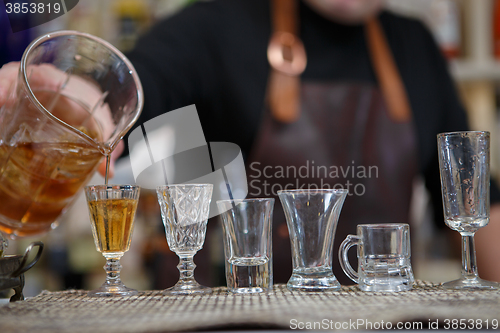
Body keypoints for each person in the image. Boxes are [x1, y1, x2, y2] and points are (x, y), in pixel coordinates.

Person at [1, 0, 500, 284]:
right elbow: (131, 82)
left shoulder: (414, 46)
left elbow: (478, 210)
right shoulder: (223, 24)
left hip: (384, 320)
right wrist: (79, 103)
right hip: (251, 319)